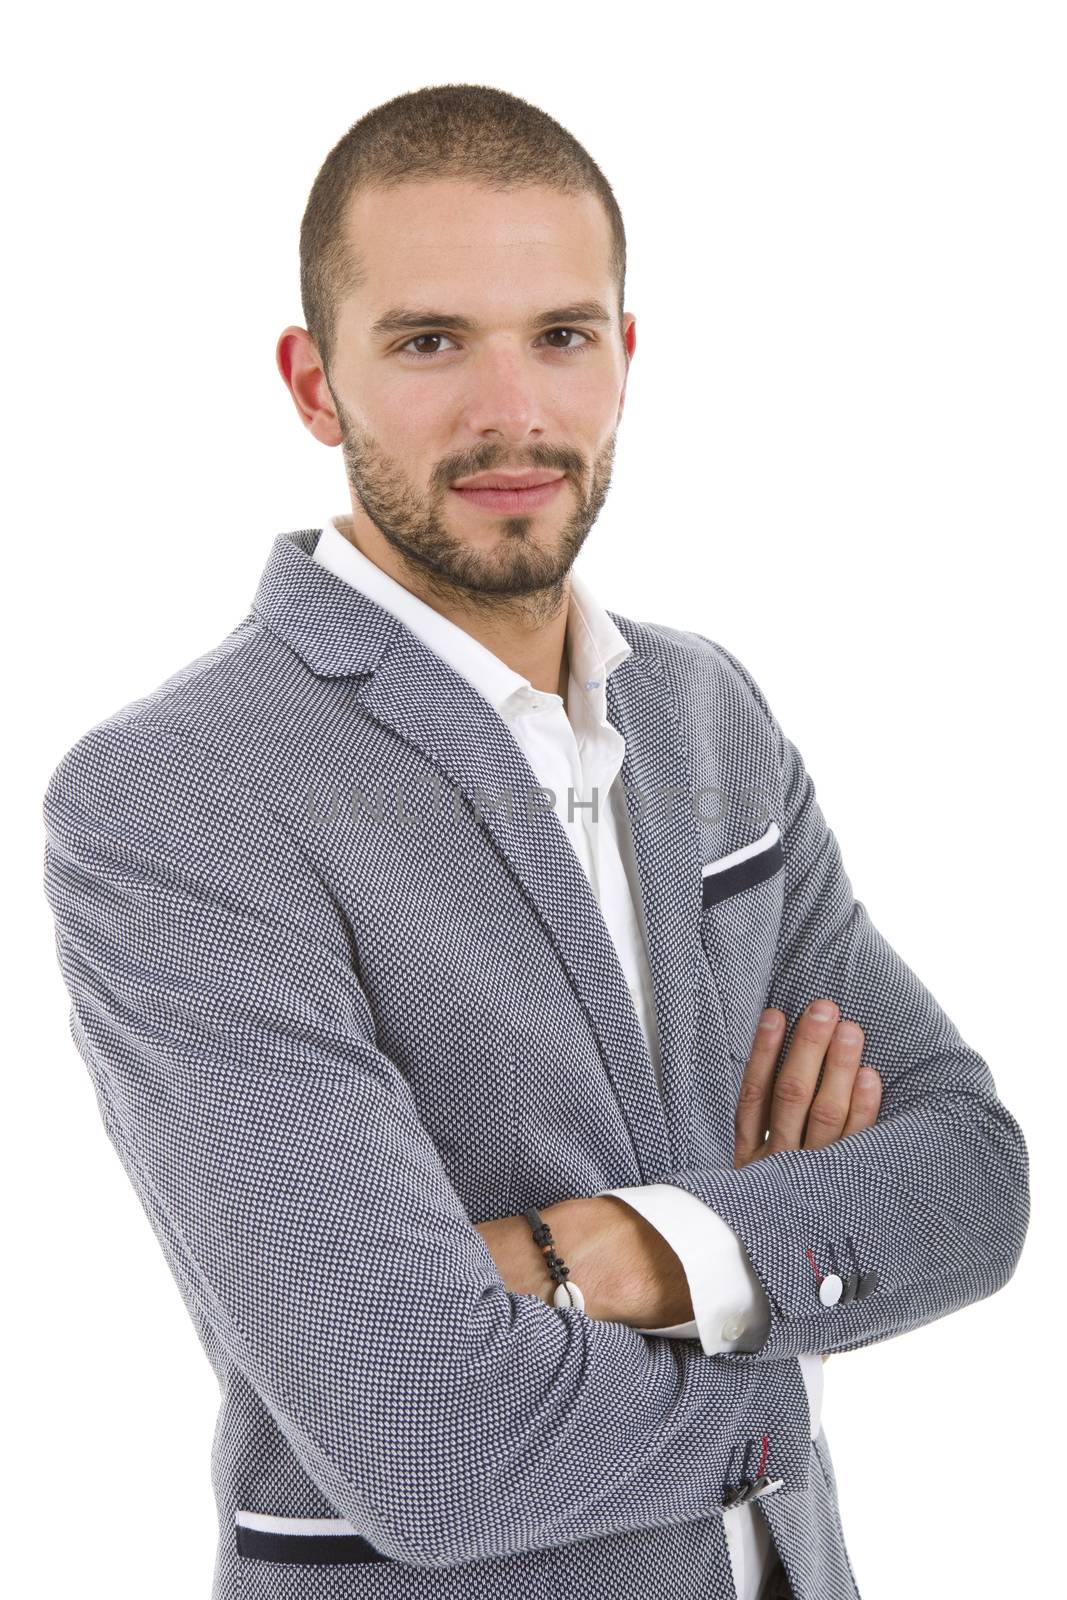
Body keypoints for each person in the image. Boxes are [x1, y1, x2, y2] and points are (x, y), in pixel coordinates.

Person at [42, 84, 1029, 1600]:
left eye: (561, 336)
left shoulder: (710, 716)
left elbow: (970, 1179)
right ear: (316, 385)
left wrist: (614, 1259)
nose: (513, 413)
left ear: (626, 361)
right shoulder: (179, 799)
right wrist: (791, 1329)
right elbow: (429, 1434)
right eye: (431, 342)